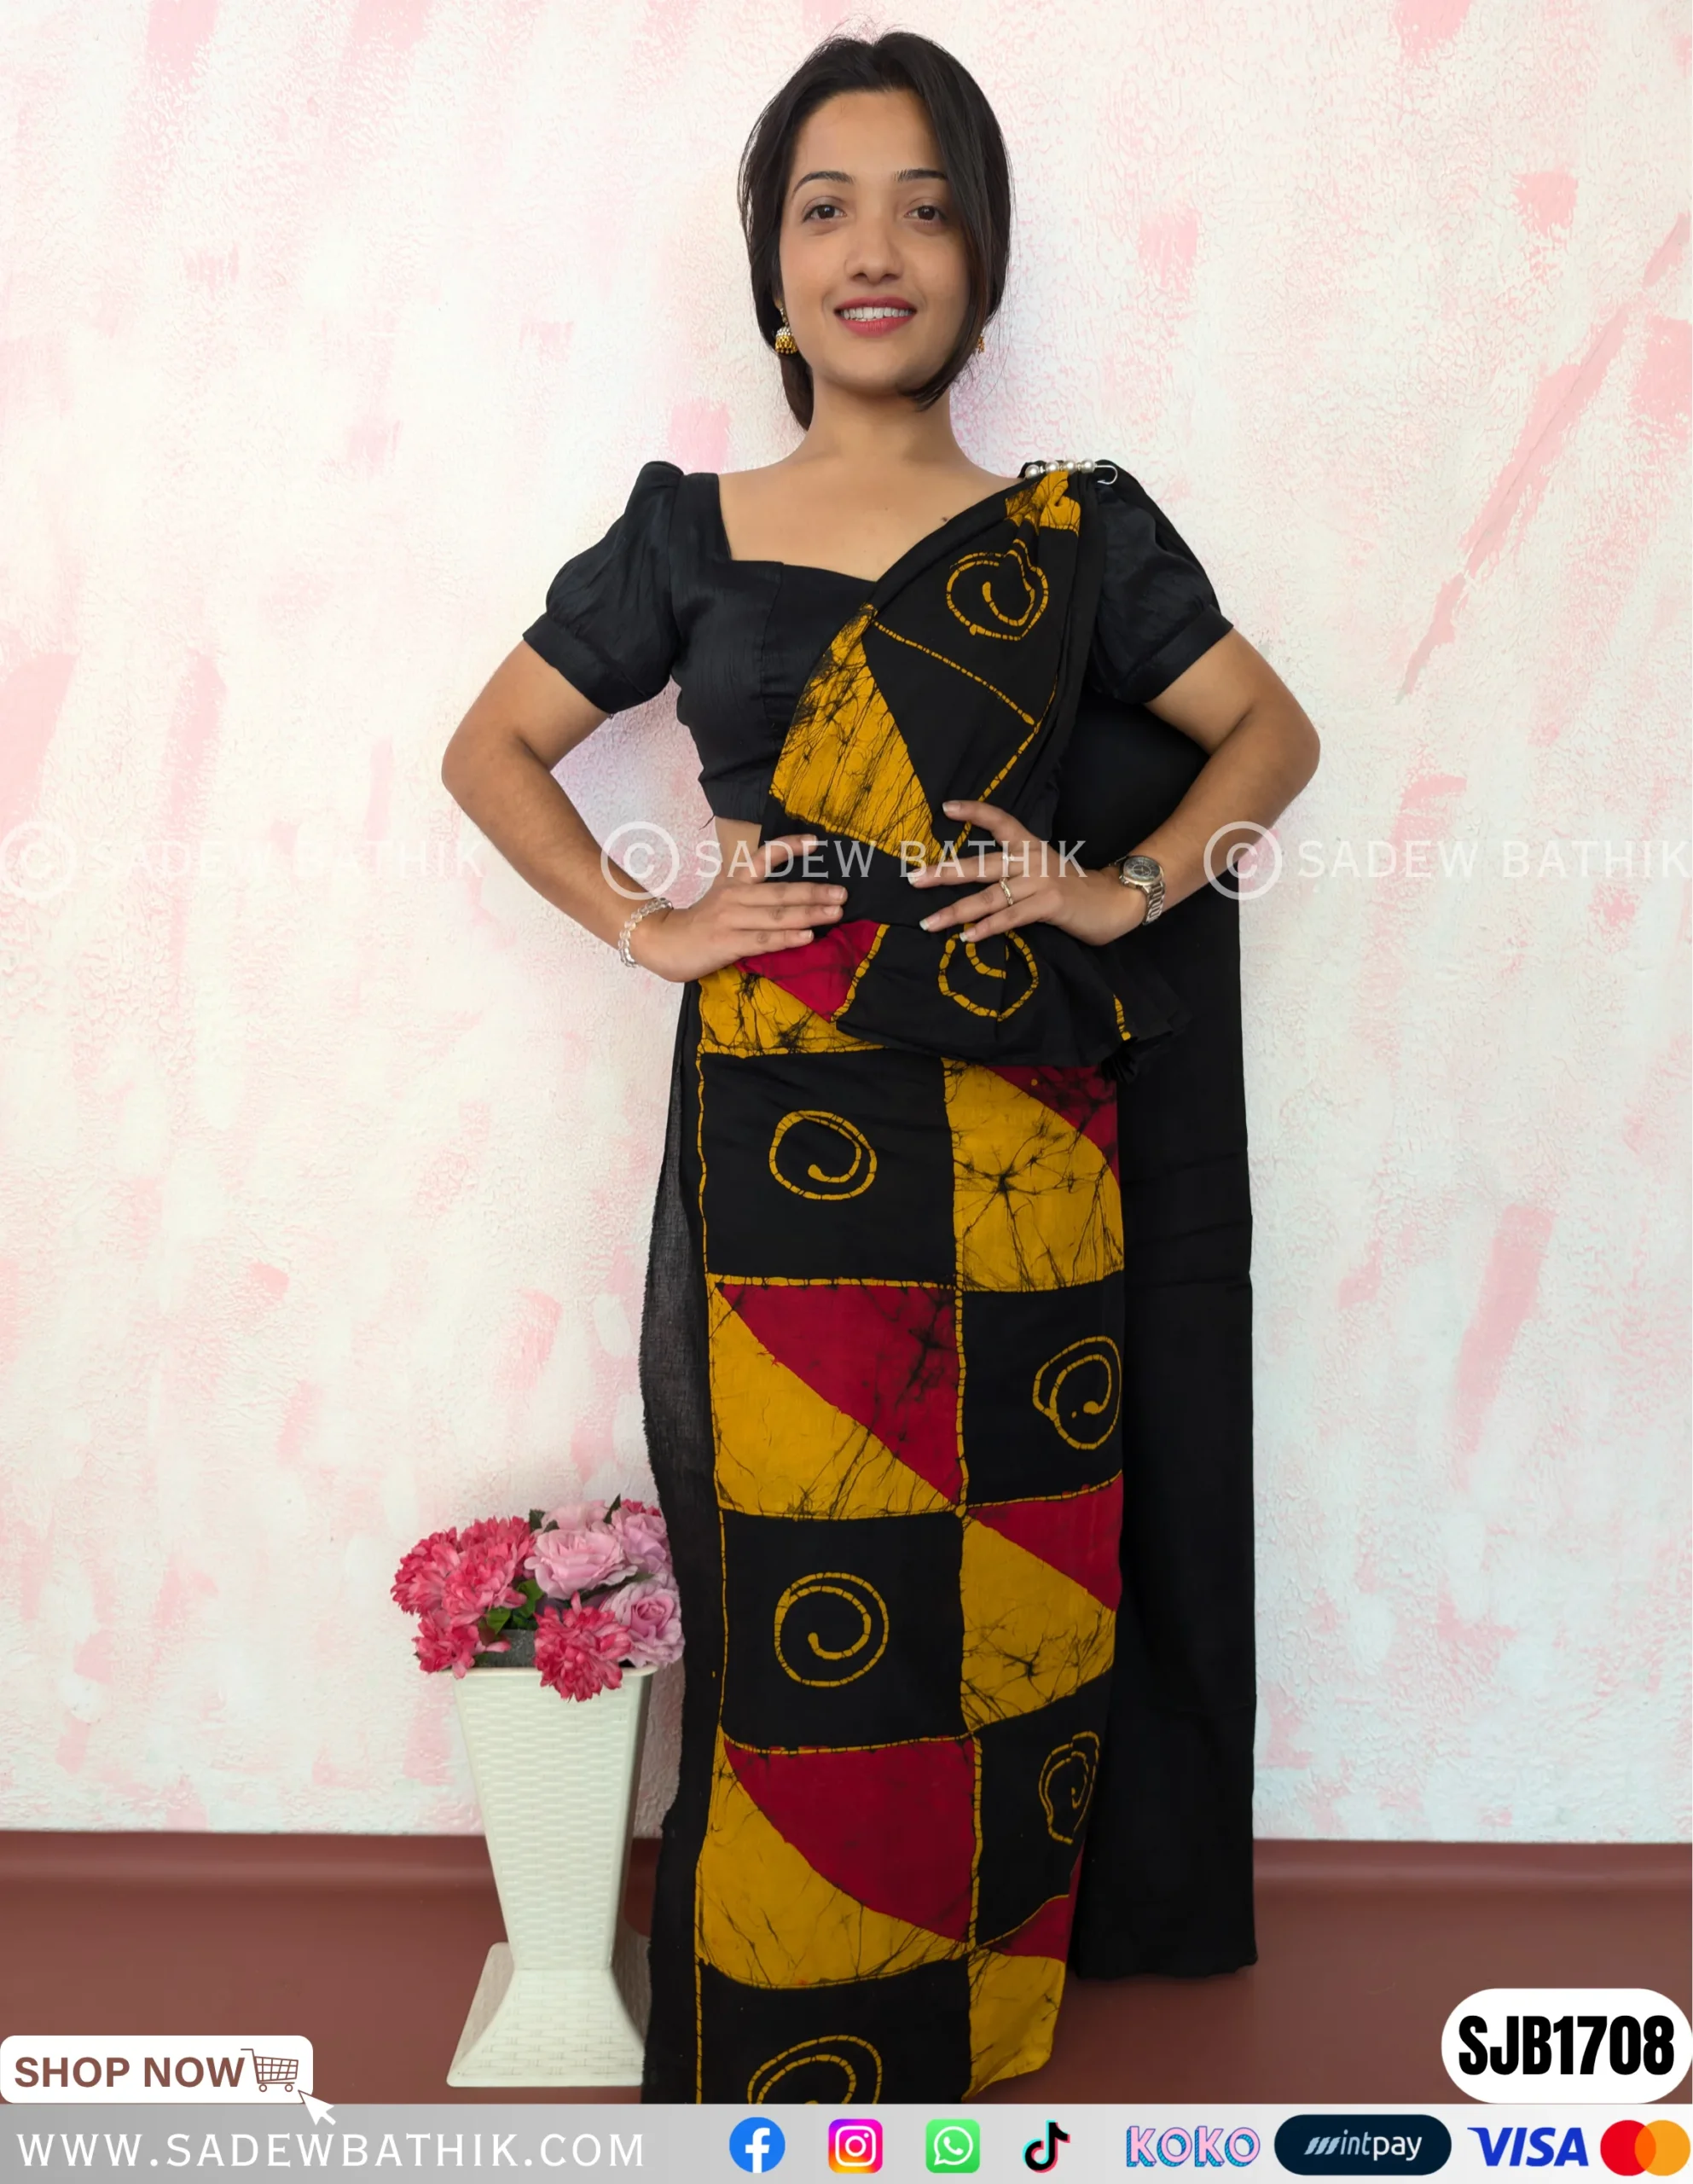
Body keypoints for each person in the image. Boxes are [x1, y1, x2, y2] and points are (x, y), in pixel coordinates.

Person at [441, 29, 1319, 2104]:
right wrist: (651, 922)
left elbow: (1269, 736)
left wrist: (1111, 888)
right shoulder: (687, 533)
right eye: (826, 208)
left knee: (1013, 1583)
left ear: (978, 265)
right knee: (807, 1574)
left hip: (1021, 1137)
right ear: (771, 271)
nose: (875, 250)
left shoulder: (1073, 533)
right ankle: (790, 2021)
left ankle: (977, 2031)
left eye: (925, 209)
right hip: (785, 1120)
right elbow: (490, 753)